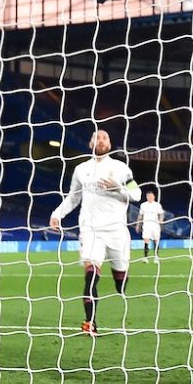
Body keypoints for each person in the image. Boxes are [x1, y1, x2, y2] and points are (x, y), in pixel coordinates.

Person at [49, 130, 142, 337]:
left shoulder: (121, 169)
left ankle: (120, 277)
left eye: (105, 137)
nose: (101, 140)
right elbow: (73, 198)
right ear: (90, 143)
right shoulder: (81, 170)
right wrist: (57, 214)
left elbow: (136, 194)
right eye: (97, 138)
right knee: (91, 276)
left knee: (120, 284)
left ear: (110, 143)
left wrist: (117, 187)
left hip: (117, 231)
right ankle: (90, 323)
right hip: (90, 230)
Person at [135, 190, 164, 263]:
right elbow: (140, 215)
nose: (150, 198)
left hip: (155, 225)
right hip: (146, 225)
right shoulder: (143, 205)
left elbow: (161, 214)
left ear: (154, 197)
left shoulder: (157, 205)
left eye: (151, 196)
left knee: (156, 240)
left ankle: (156, 257)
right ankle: (145, 258)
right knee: (146, 240)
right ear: (147, 197)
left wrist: (161, 220)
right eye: (148, 196)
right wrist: (138, 225)